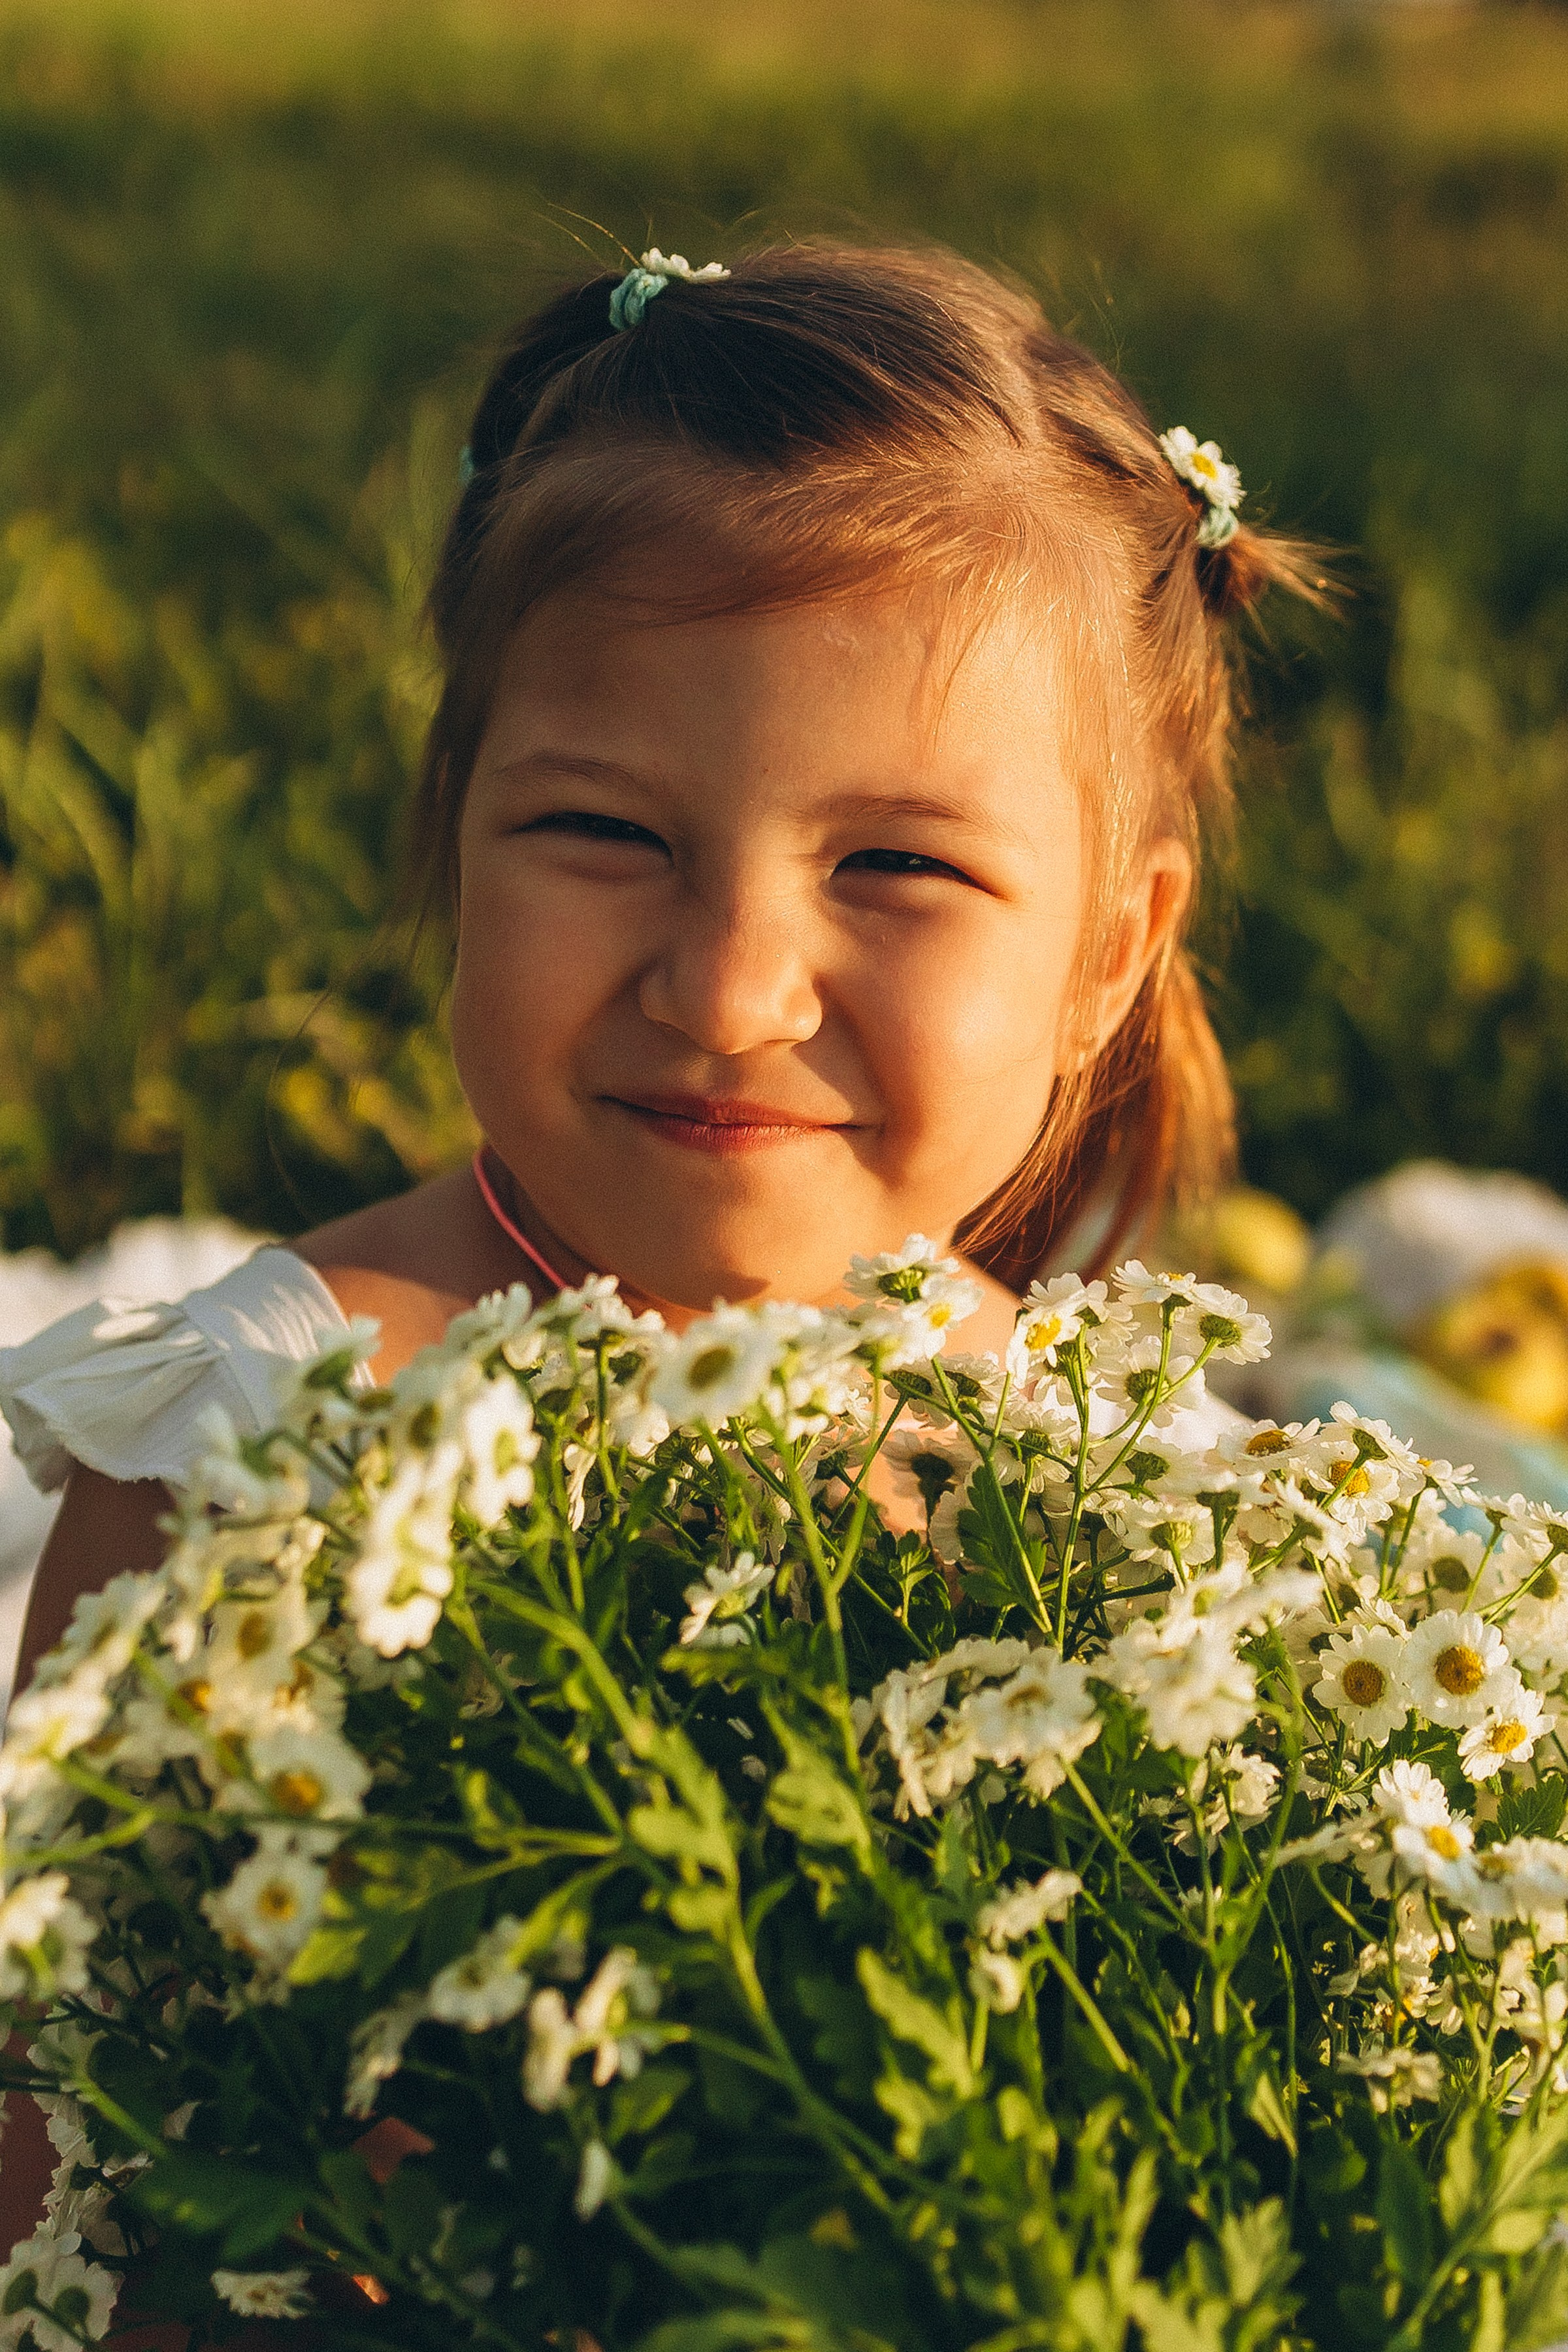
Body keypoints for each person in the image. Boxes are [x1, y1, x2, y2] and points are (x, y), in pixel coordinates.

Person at [0, 237, 1318, 2310]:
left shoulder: (1108, 1509)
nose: (723, 990)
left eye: (893, 866)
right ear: (455, 828)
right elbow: (53, 2146)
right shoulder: (242, 1441)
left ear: (1105, 957)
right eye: (607, 834)